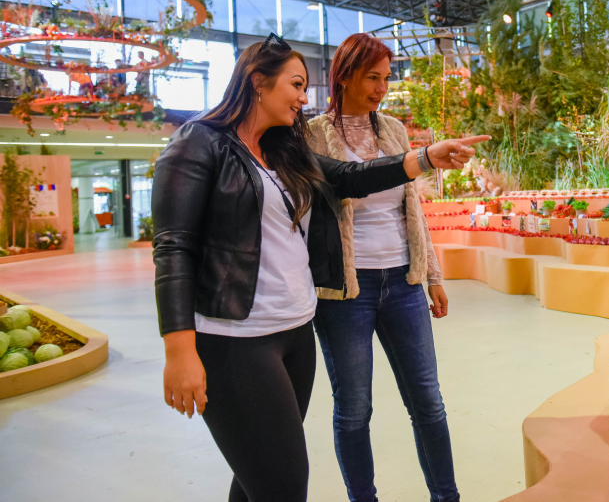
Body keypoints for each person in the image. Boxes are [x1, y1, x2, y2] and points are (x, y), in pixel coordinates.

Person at [152, 33, 486, 502]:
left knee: (254, 478)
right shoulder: (200, 141)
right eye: (295, 85)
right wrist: (179, 349)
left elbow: (350, 177)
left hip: (294, 329)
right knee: (286, 481)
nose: (303, 97)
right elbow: (173, 247)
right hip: (237, 337)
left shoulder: (282, 148)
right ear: (257, 82)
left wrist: (425, 157)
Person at [307, 33, 459, 502]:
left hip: (404, 281)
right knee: (354, 409)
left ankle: (447, 497)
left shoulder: (393, 129)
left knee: (428, 402)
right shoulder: (311, 134)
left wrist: (432, 275)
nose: (381, 88)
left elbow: (412, 207)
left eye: (386, 78)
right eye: (372, 77)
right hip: (344, 292)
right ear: (344, 76)